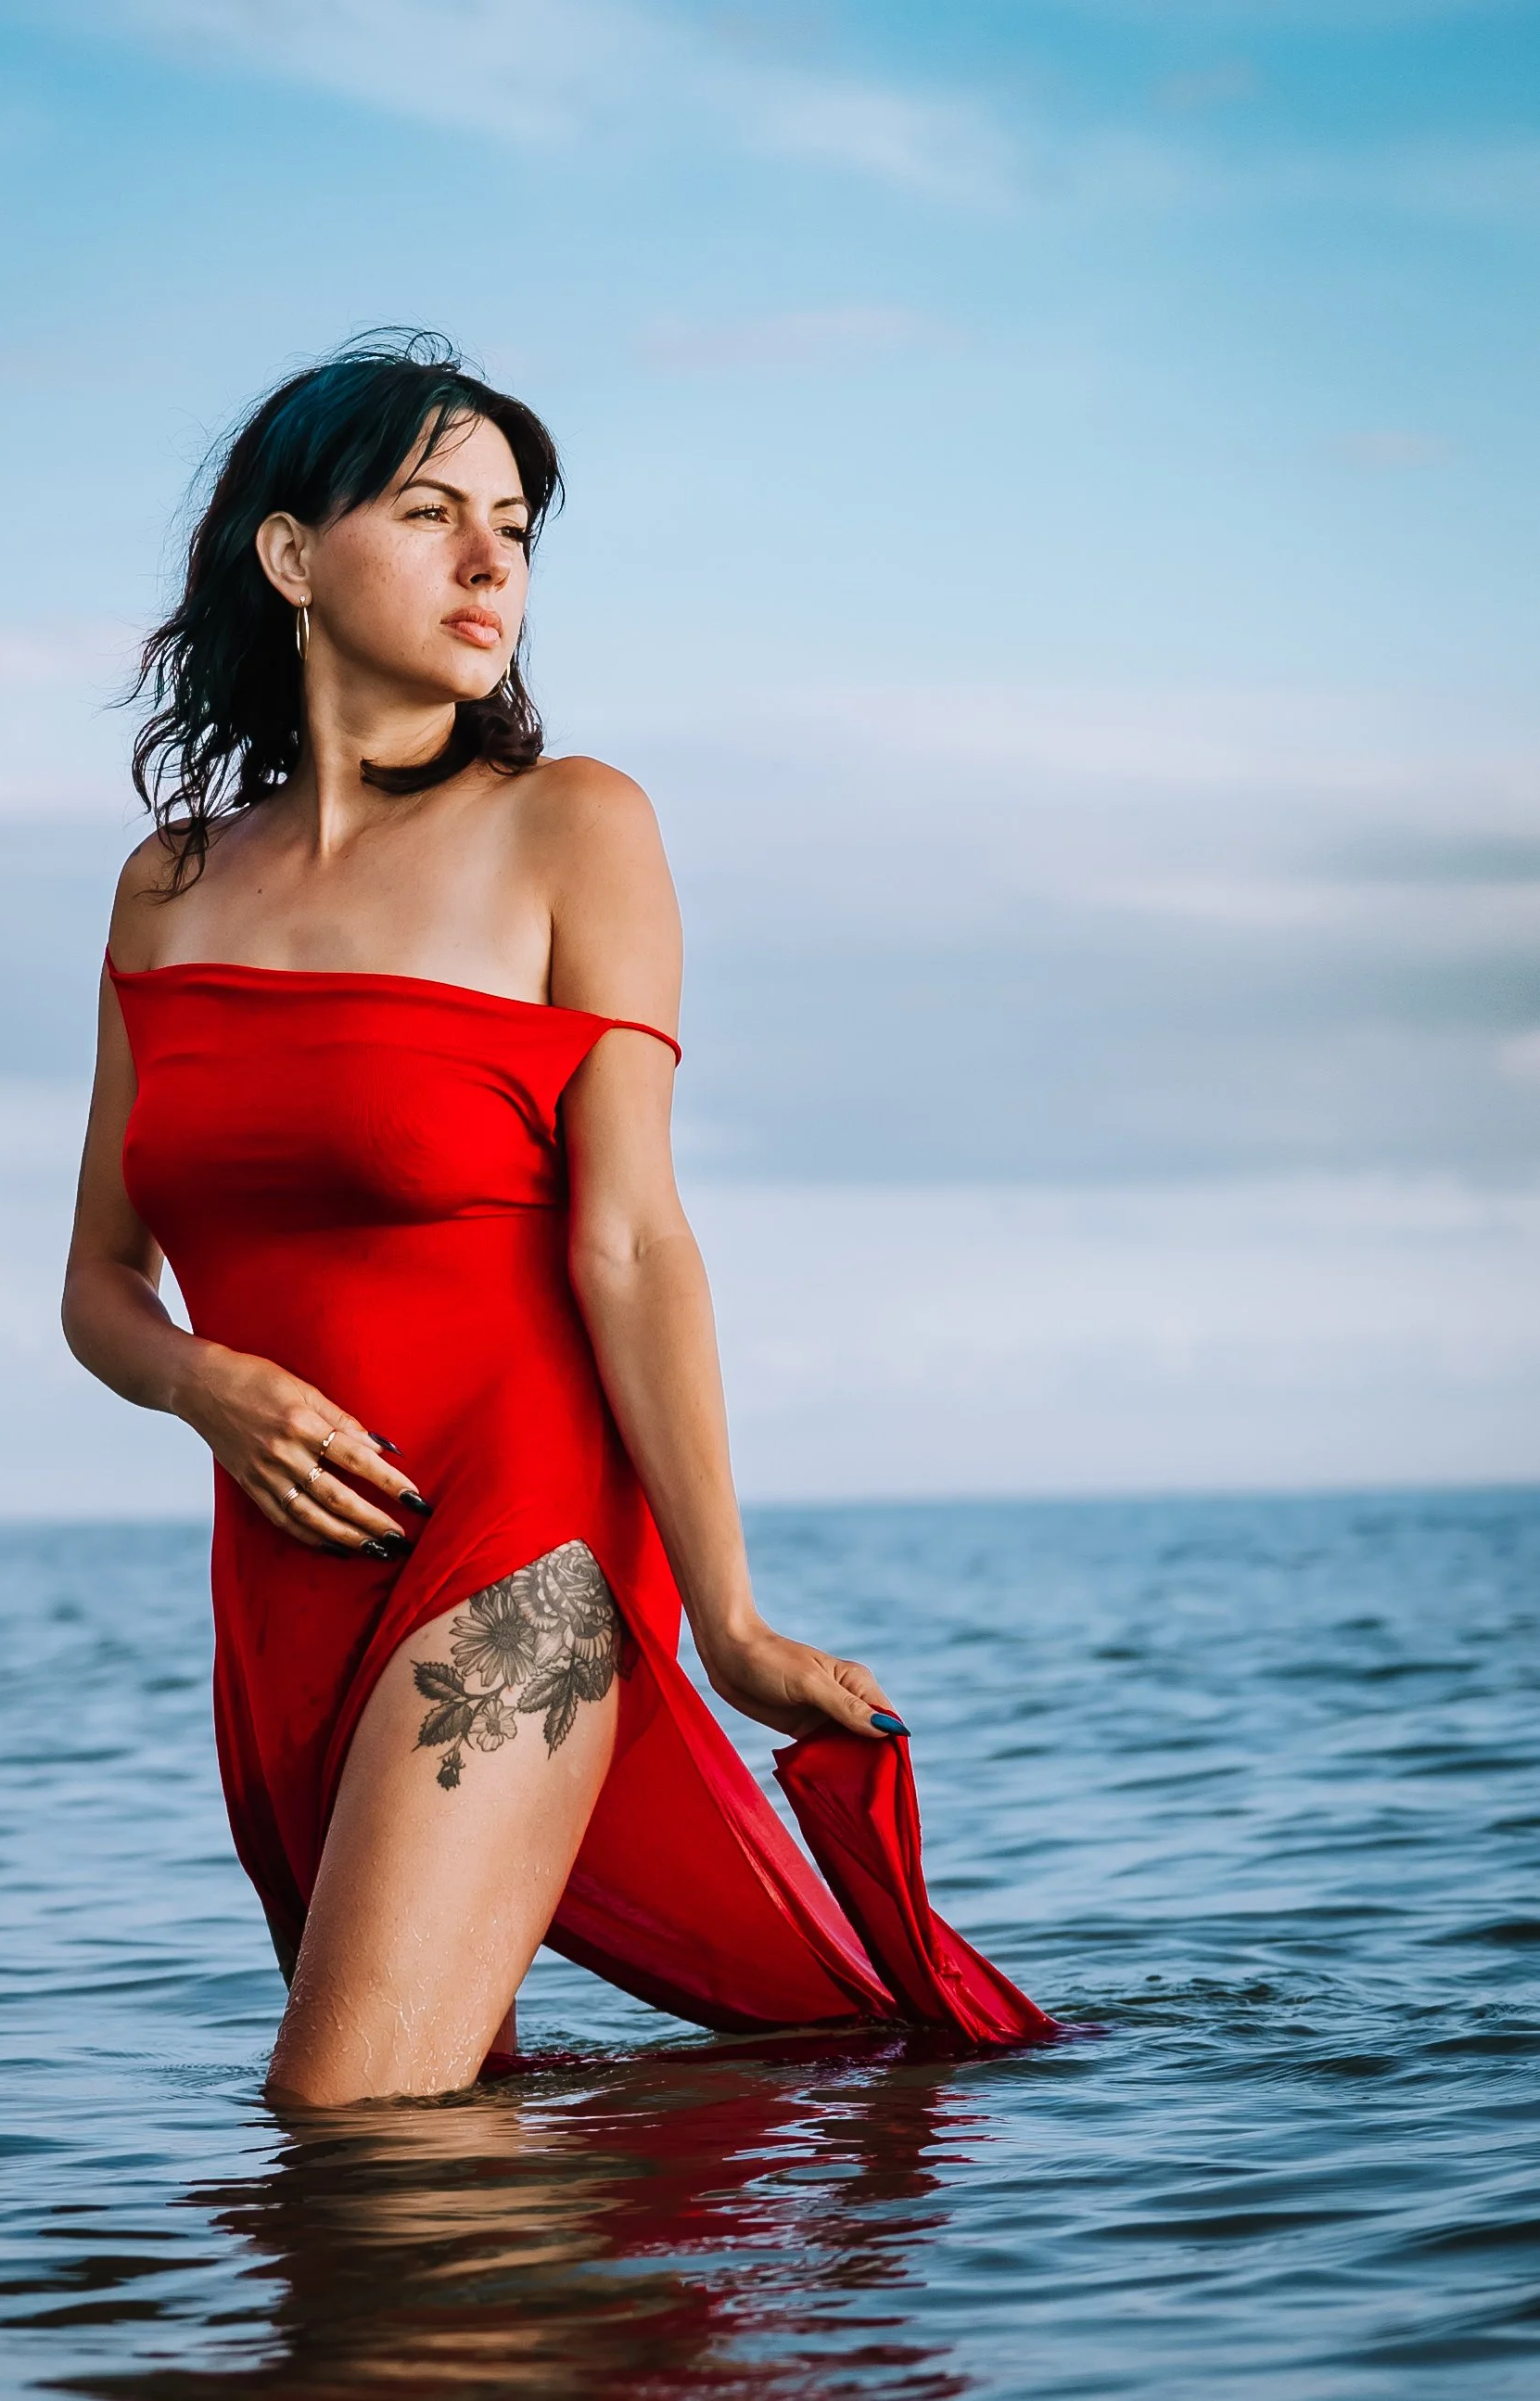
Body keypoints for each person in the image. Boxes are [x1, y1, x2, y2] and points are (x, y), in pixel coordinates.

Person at [63, 331, 1048, 2105]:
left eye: (512, 523)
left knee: (346, 2116)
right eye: (429, 510)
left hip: (518, 1555)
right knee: (431, 2130)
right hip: (284, 1576)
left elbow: (635, 1240)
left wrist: (732, 1620)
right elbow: (97, 1285)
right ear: (289, 557)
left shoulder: (573, 827)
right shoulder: (169, 888)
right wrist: (206, 1386)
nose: (488, 559)